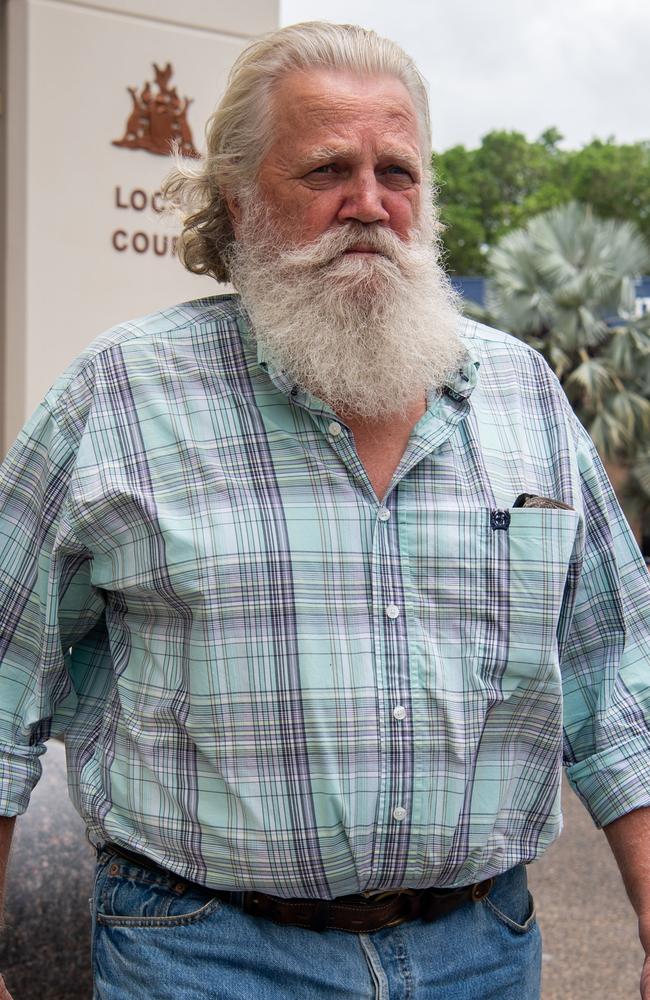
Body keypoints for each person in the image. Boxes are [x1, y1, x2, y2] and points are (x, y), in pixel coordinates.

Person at [1, 21, 649, 1000]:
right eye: (323, 171)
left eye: (397, 170)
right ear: (237, 198)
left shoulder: (520, 393)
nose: (369, 204)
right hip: (206, 957)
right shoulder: (120, 395)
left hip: (485, 950)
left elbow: (618, 684)